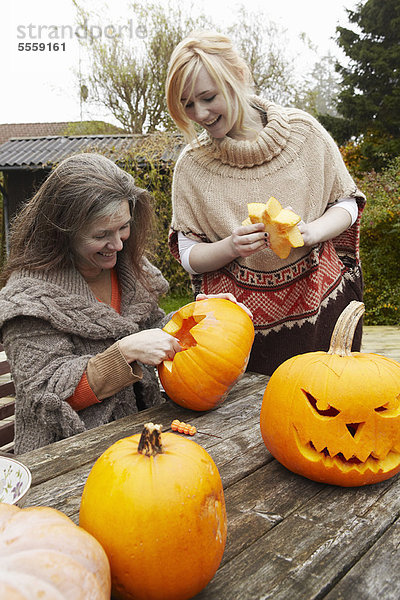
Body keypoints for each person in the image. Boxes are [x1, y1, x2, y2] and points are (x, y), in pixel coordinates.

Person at [0, 153, 242, 454]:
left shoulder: (129, 270)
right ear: (62, 232)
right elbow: (46, 394)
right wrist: (125, 352)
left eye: (123, 227)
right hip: (64, 454)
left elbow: (154, 328)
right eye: (102, 234)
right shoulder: (28, 299)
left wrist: (201, 317)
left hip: (139, 437)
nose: (118, 244)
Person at [165, 30, 366, 376]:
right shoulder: (192, 167)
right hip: (239, 334)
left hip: (323, 310)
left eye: (208, 97)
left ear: (238, 77)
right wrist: (229, 246)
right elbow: (189, 257)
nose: (199, 113)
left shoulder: (306, 135)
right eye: (187, 104)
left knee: (329, 402)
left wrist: (313, 231)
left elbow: (347, 203)